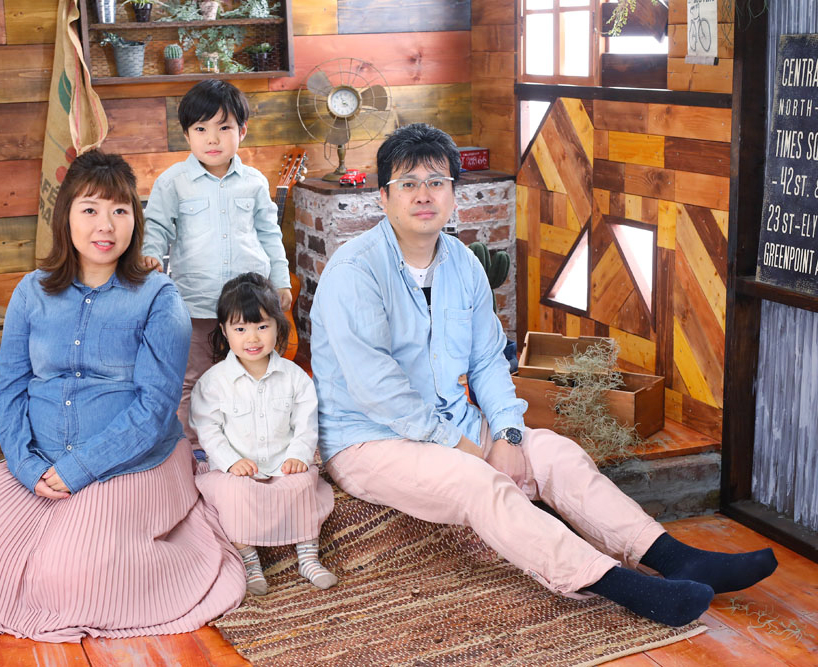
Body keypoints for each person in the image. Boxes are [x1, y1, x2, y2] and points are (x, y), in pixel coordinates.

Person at [309, 123, 778, 627]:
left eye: (437, 182)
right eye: (408, 184)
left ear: (453, 193)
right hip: (369, 439)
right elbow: (377, 389)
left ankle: (674, 557)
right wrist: (464, 446)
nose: (424, 195)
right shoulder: (355, 271)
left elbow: (488, 360)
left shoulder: (463, 263)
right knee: (477, 481)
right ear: (383, 198)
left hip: (451, 421)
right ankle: (620, 586)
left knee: (556, 453)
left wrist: (508, 434)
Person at [0, 150, 245, 642]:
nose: (106, 225)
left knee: (75, 570)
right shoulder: (31, 292)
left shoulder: (160, 299)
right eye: (90, 209)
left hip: (133, 461)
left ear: (135, 220)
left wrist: (79, 468)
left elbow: (154, 409)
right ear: (67, 217)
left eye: (120, 210)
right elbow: (10, 388)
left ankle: (185, 552)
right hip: (40, 459)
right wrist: (27, 466)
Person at [142, 79, 292, 458]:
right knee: (194, 378)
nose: (213, 138)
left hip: (251, 304)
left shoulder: (254, 182)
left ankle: (251, 441)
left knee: (250, 373)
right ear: (187, 134)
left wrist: (281, 281)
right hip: (196, 304)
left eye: (224, 127)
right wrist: (151, 257)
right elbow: (156, 227)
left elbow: (269, 234)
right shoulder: (173, 183)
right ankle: (194, 449)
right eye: (201, 129)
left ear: (242, 131)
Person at [190, 273, 337, 596]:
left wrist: (298, 455)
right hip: (236, 470)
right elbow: (208, 429)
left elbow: (306, 423)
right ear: (224, 332)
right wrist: (231, 461)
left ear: (278, 326)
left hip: (283, 463)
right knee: (233, 493)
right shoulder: (214, 382)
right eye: (240, 329)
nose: (252, 338)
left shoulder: (295, 377)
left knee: (302, 484)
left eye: (262, 326)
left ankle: (308, 557)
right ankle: (249, 561)